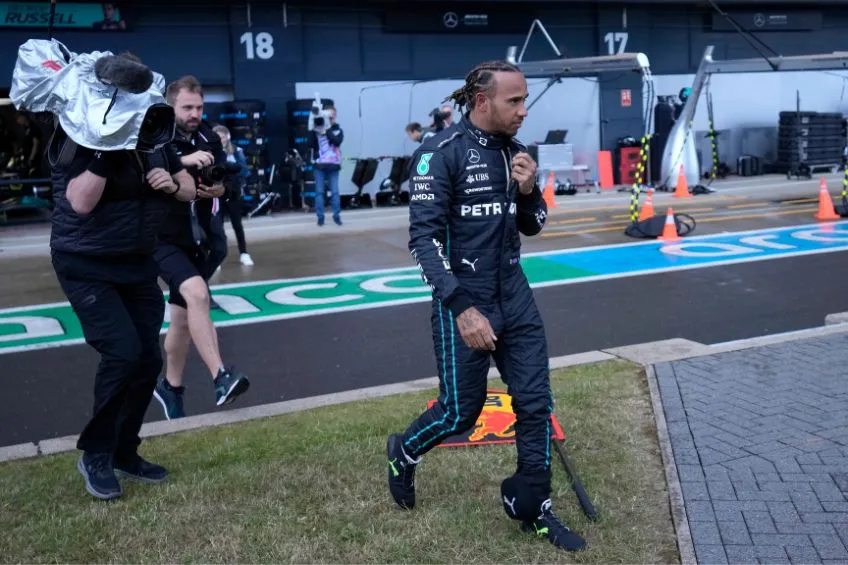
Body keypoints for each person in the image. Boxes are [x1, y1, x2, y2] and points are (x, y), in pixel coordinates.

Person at [386, 60, 585, 552]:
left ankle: (532, 504)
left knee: (536, 403)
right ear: (482, 101)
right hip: (465, 300)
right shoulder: (440, 153)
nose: (524, 110)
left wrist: (527, 189)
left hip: (514, 295)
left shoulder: (518, 152)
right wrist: (461, 308)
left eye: (525, 99)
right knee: (461, 413)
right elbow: (423, 241)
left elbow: (533, 223)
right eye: (514, 101)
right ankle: (403, 452)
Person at [48, 113, 198, 500]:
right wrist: (107, 149)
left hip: (136, 263)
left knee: (147, 361)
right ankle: (96, 454)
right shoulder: (82, 136)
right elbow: (79, 202)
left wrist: (172, 184)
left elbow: (188, 186)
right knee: (123, 353)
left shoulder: (156, 137)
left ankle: (123, 451)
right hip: (85, 264)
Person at [152, 75, 250, 420]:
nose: (194, 113)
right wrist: (184, 161)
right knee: (197, 296)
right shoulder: (154, 135)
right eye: (187, 107)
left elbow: (231, 180)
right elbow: (147, 179)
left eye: (199, 107)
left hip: (201, 239)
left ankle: (171, 387)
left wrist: (221, 189)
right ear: (171, 106)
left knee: (181, 319)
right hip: (161, 238)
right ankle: (221, 377)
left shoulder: (209, 135)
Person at [212, 124, 254, 266]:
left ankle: (244, 253)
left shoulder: (236, 150)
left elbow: (244, 172)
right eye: (217, 137)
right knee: (217, 226)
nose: (220, 139)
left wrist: (229, 170)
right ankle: (217, 257)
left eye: (222, 137)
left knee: (237, 224)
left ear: (228, 137)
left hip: (233, 193)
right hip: (216, 194)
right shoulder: (209, 152)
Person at [307, 105, 344, 226]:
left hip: (333, 165)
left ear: (335, 116)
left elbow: (337, 141)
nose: (330, 117)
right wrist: (312, 128)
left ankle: (336, 216)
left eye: (332, 115)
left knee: (335, 192)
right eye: (328, 115)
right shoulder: (317, 129)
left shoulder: (338, 130)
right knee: (319, 192)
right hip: (320, 166)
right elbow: (310, 144)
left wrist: (327, 129)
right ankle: (320, 217)